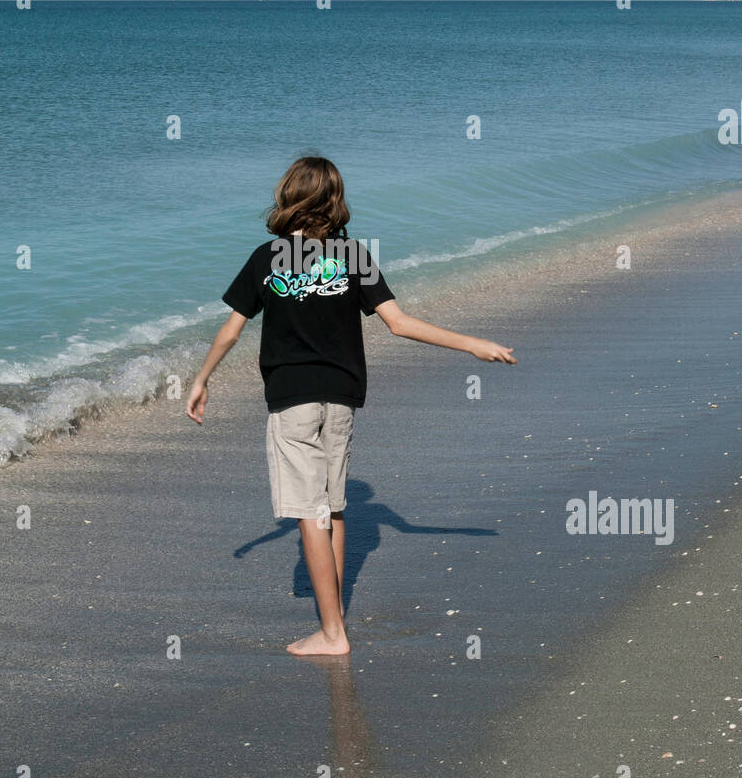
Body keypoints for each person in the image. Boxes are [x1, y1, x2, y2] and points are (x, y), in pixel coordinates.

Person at [186, 156, 517, 656]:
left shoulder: (266, 258)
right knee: (333, 509)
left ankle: (332, 633)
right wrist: (471, 343)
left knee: (308, 513)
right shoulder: (354, 256)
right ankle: (334, 616)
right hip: (342, 398)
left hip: (293, 401)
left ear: (288, 196)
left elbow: (231, 330)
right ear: (334, 201)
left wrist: (201, 379)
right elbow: (400, 323)